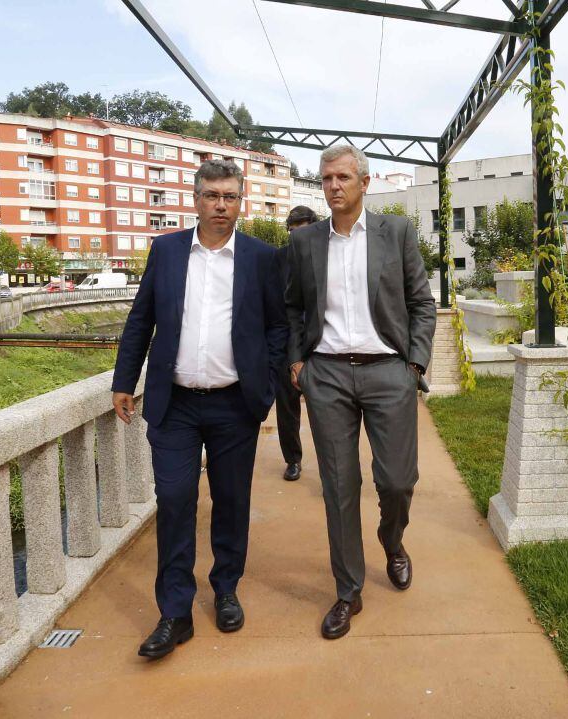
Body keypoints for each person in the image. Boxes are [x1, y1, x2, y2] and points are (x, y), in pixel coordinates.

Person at [111, 159, 288, 659]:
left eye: (230, 197)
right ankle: (175, 612)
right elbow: (141, 317)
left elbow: (278, 327)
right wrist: (124, 381)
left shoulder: (260, 258)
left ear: (241, 201)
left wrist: (267, 386)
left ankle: (226, 587)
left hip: (235, 405)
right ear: (195, 198)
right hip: (176, 405)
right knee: (174, 501)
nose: (220, 205)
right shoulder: (166, 251)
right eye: (212, 195)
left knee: (231, 501)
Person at [285, 145, 436, 640]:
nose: (334, 186)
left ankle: (392, 541)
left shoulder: (396, 233)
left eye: (344, 177)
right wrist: (297, 362)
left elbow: (421, 302)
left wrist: (413, 363)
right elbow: (292, 307)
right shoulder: (306, 241)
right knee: (338, 488)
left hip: (388, 371)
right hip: (327, 375)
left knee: (396, 481)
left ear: (365, 183)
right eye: (327, 178)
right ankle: (348, 591)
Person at [276, 205, 319, 481]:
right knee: (287, 409)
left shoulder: (327, 256)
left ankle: (334, 466)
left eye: (302, 232)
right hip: (285, 343)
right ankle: (292, 460)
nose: (298, 238)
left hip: (321, 345)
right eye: (293, 233)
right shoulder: (277, 259)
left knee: (326, 410)